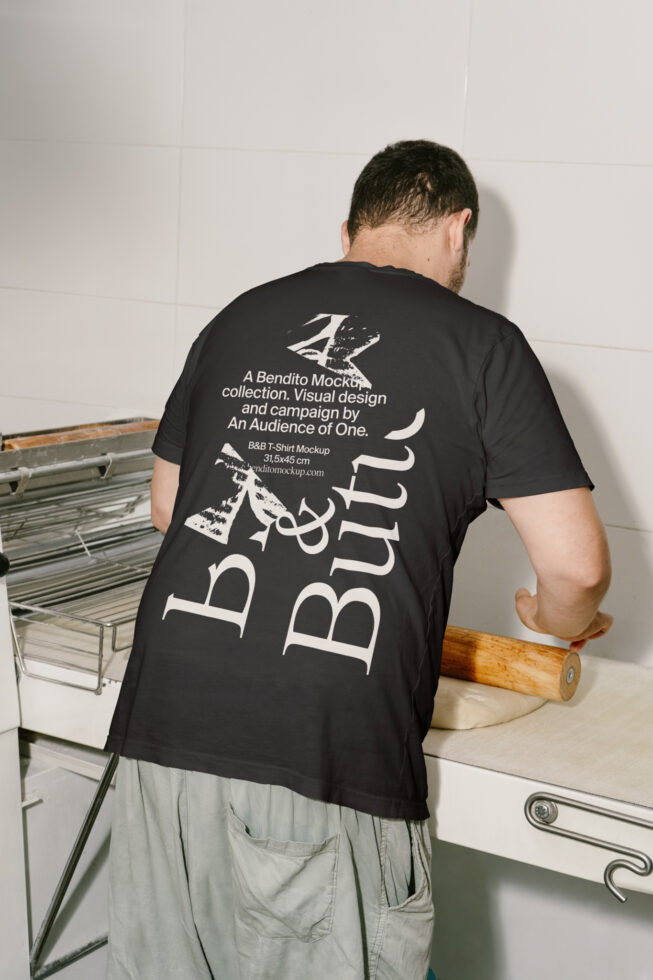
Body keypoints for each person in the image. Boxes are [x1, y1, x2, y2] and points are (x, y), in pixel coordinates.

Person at [103, 139, 612, 980]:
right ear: (458, 231)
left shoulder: (240, 317)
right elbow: (577, 568)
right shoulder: (482, 344)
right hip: (322, 740)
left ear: (347, 231)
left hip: (166, 710)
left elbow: (168, 507)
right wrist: (553, 624)